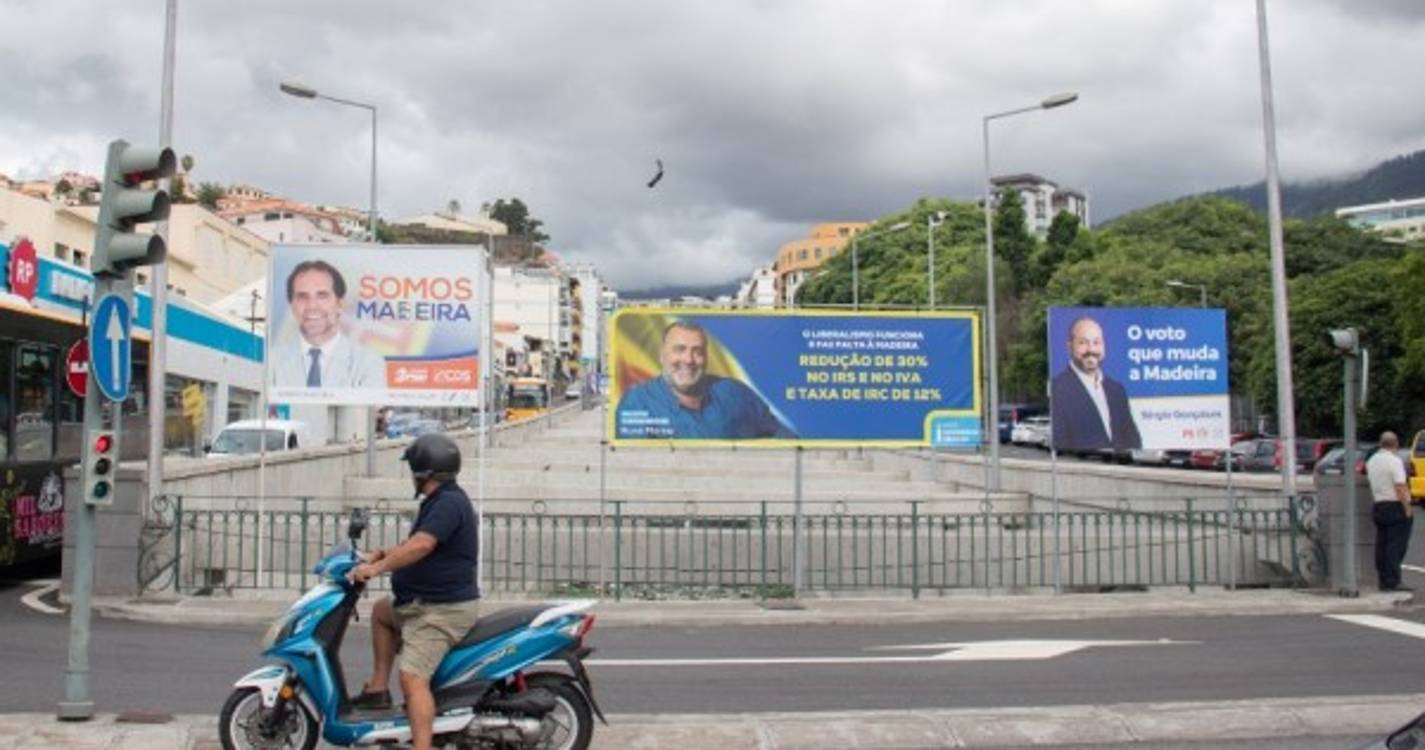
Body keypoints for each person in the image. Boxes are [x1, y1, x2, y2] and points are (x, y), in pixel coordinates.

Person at [348, 433, 481, 750]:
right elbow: (414, 544)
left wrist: (377, 569)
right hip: (423, 604)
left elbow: (422, 545)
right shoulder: (439, 501)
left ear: (424, 473)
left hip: (440, 611)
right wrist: (379, 554)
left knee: (412, 679)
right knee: (382, 612)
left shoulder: (449, 503)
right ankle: (377, 689)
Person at [616, 320, 794, 439]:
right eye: (679, 349)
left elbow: (783, 436)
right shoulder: (637, 403)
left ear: (706, 357)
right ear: (662, 355)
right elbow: (632, 462)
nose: (689, 360)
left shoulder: (736, 393)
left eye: (697, 351)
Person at [271, 260, 386, 389]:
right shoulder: (272, 361)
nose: (312, 306)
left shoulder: (368, 362)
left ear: (340, 305)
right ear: (292, 306)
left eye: (322, 296)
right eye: (302, 297)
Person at [1050, 316, 1142, 453]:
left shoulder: (1116, 390)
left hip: (1117, 465)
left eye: (1096, 342)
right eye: (1083, 343)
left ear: (1104, 346)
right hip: (1082, 466)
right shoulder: (1057, 389)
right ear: (1070, 347)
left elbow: (1133, 439)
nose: (1091, 349)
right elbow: (1062, 441)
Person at [1367, 431, 1413, 592]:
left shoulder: (1372, 461)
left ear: (1381, 443)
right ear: (1395, 444)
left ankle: (1383, 580)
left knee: (1382, 544)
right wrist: (1407, 507)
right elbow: (1400, 486)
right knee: (1396, 545)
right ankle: (1394, 580)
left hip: (1379, 505)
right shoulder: (1394, 461)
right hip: (1395, 506)